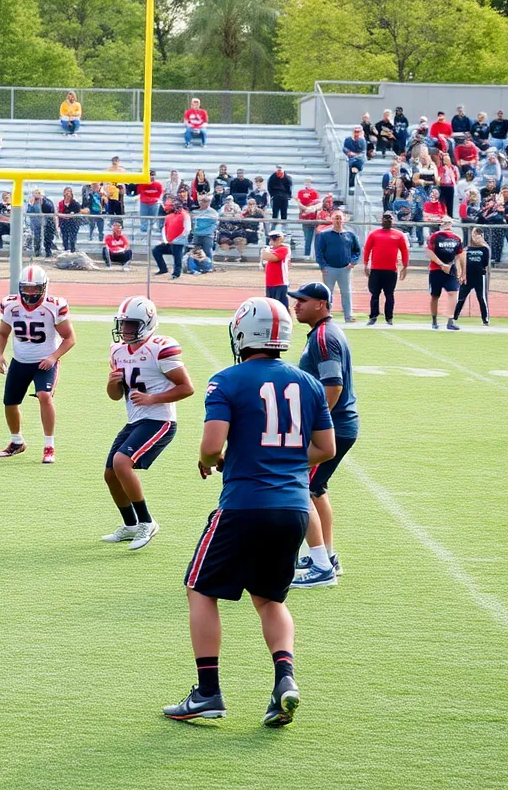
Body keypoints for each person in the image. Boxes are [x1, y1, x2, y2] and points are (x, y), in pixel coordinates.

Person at [164, 297, 335, 727]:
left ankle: (207, 691)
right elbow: (325, 449)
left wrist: (215, 460)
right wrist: (284, 463)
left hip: (244, 504)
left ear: (242, 333)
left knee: (199, 589)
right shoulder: (309, 382)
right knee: (269, 598)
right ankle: (285, 681)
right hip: (294, 507)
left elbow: (209, 445)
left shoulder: (228, 379)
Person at [99, 296, 194, 551]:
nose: (126, 330)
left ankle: (147, 521)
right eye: (123, 324)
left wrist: (153, 398)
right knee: (110, 475)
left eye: (131, 324)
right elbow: (116, 395)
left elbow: (187, 388)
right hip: (135, 420)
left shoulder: (160, 348)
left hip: (160, 419)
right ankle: (130, 525)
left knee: (121, 462)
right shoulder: (118, 350)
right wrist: (111, 383)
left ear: (147, 323)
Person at [289, 283, 358, 588]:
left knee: (298, 485)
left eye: (302, 301)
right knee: (316, 487)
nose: (296, 305)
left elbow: (333, 385)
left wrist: (317, 425)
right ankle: (327, 556)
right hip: (340, 425)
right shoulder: (323, 333)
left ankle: (321, 568)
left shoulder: (324, 337)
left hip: (334, 426)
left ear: (321, 303)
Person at [0, 266, 76, 463]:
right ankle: (16, 441)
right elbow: (2, 333)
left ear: (44, 287)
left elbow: (70, 337)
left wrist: (53, 357)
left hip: (45, 362)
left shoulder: (54, 305)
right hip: (20, 361)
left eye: (35, 288)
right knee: (10, 402)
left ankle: (49, 446)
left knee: (44, 396)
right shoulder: (10, 305)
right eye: (26, 288)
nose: (30, 293)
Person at [314, 210, 361, 322]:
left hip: (345, 268)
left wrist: (353, 262)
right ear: (331, 219)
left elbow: (357, 251)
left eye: (340, 218)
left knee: (346, 292)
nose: (338, 221)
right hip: (329, 269)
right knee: (328, 293)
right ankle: (326, 315)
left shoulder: (350, 235)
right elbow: (319, 252)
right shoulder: (324, 235)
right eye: (336, 218)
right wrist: (322, 266)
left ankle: (348, 316)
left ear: (344, 219)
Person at [427, 220, 466, 330]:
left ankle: (450, 320)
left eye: (449, 222)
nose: (448, 224)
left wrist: (463, 272)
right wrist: (441, 264)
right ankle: (434, 320)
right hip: (436, 269)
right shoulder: (435, 236)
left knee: (453, 292)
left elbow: (460, 255)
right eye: (445, 222)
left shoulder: (456, 238)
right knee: (435, 295)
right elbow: (429, 252)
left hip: (450, 270)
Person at [452, 228, 491, 326]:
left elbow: (485, 263)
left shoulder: (484, 249)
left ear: (482, 237)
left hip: (479, 276)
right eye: (474, 235)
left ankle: (485, 319)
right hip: (467, 277)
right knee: (461, 298)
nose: (476, 238)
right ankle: (454, 317)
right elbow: (461, 261)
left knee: (481, 298)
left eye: (478, 236)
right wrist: (461, 274)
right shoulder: (466, 249)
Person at [262, 229, 291, 308]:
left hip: (280, 282)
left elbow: (271, 257)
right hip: (270, 282)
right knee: (271, 305)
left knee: (282, 305)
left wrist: (265, 251)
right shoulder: (271, 249)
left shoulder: (284, 249)